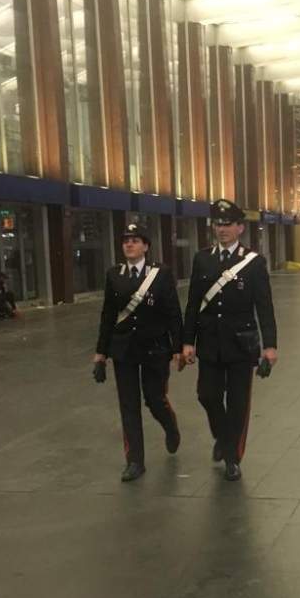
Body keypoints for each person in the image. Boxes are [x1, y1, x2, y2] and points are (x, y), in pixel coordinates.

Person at [182, 199, 278, 482]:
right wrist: (187, 342)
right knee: (207, 395)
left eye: (227, 224)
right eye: (217, 224)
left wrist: (270, 345)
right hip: (210, 343)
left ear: (240, 228)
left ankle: (232, 458)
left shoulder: (253, 263)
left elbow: (264, 305)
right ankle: (224, 438)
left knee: (238, 404)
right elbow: (193, 304)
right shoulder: (203, 259)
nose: (221, 229)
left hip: (241, 344)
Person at [94, 225, 184, 483]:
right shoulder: (114, 275)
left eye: (134, 241)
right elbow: (108, 315)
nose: (129, 245)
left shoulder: (161, 274)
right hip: (124, 349)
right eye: (125, 242)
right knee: (128, 405)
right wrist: (101, 352)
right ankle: (134, 460)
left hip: (155, 348)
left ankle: (170, 426)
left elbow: (172, 312)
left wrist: (178, 347)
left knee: (155, 399)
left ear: (145, 246)